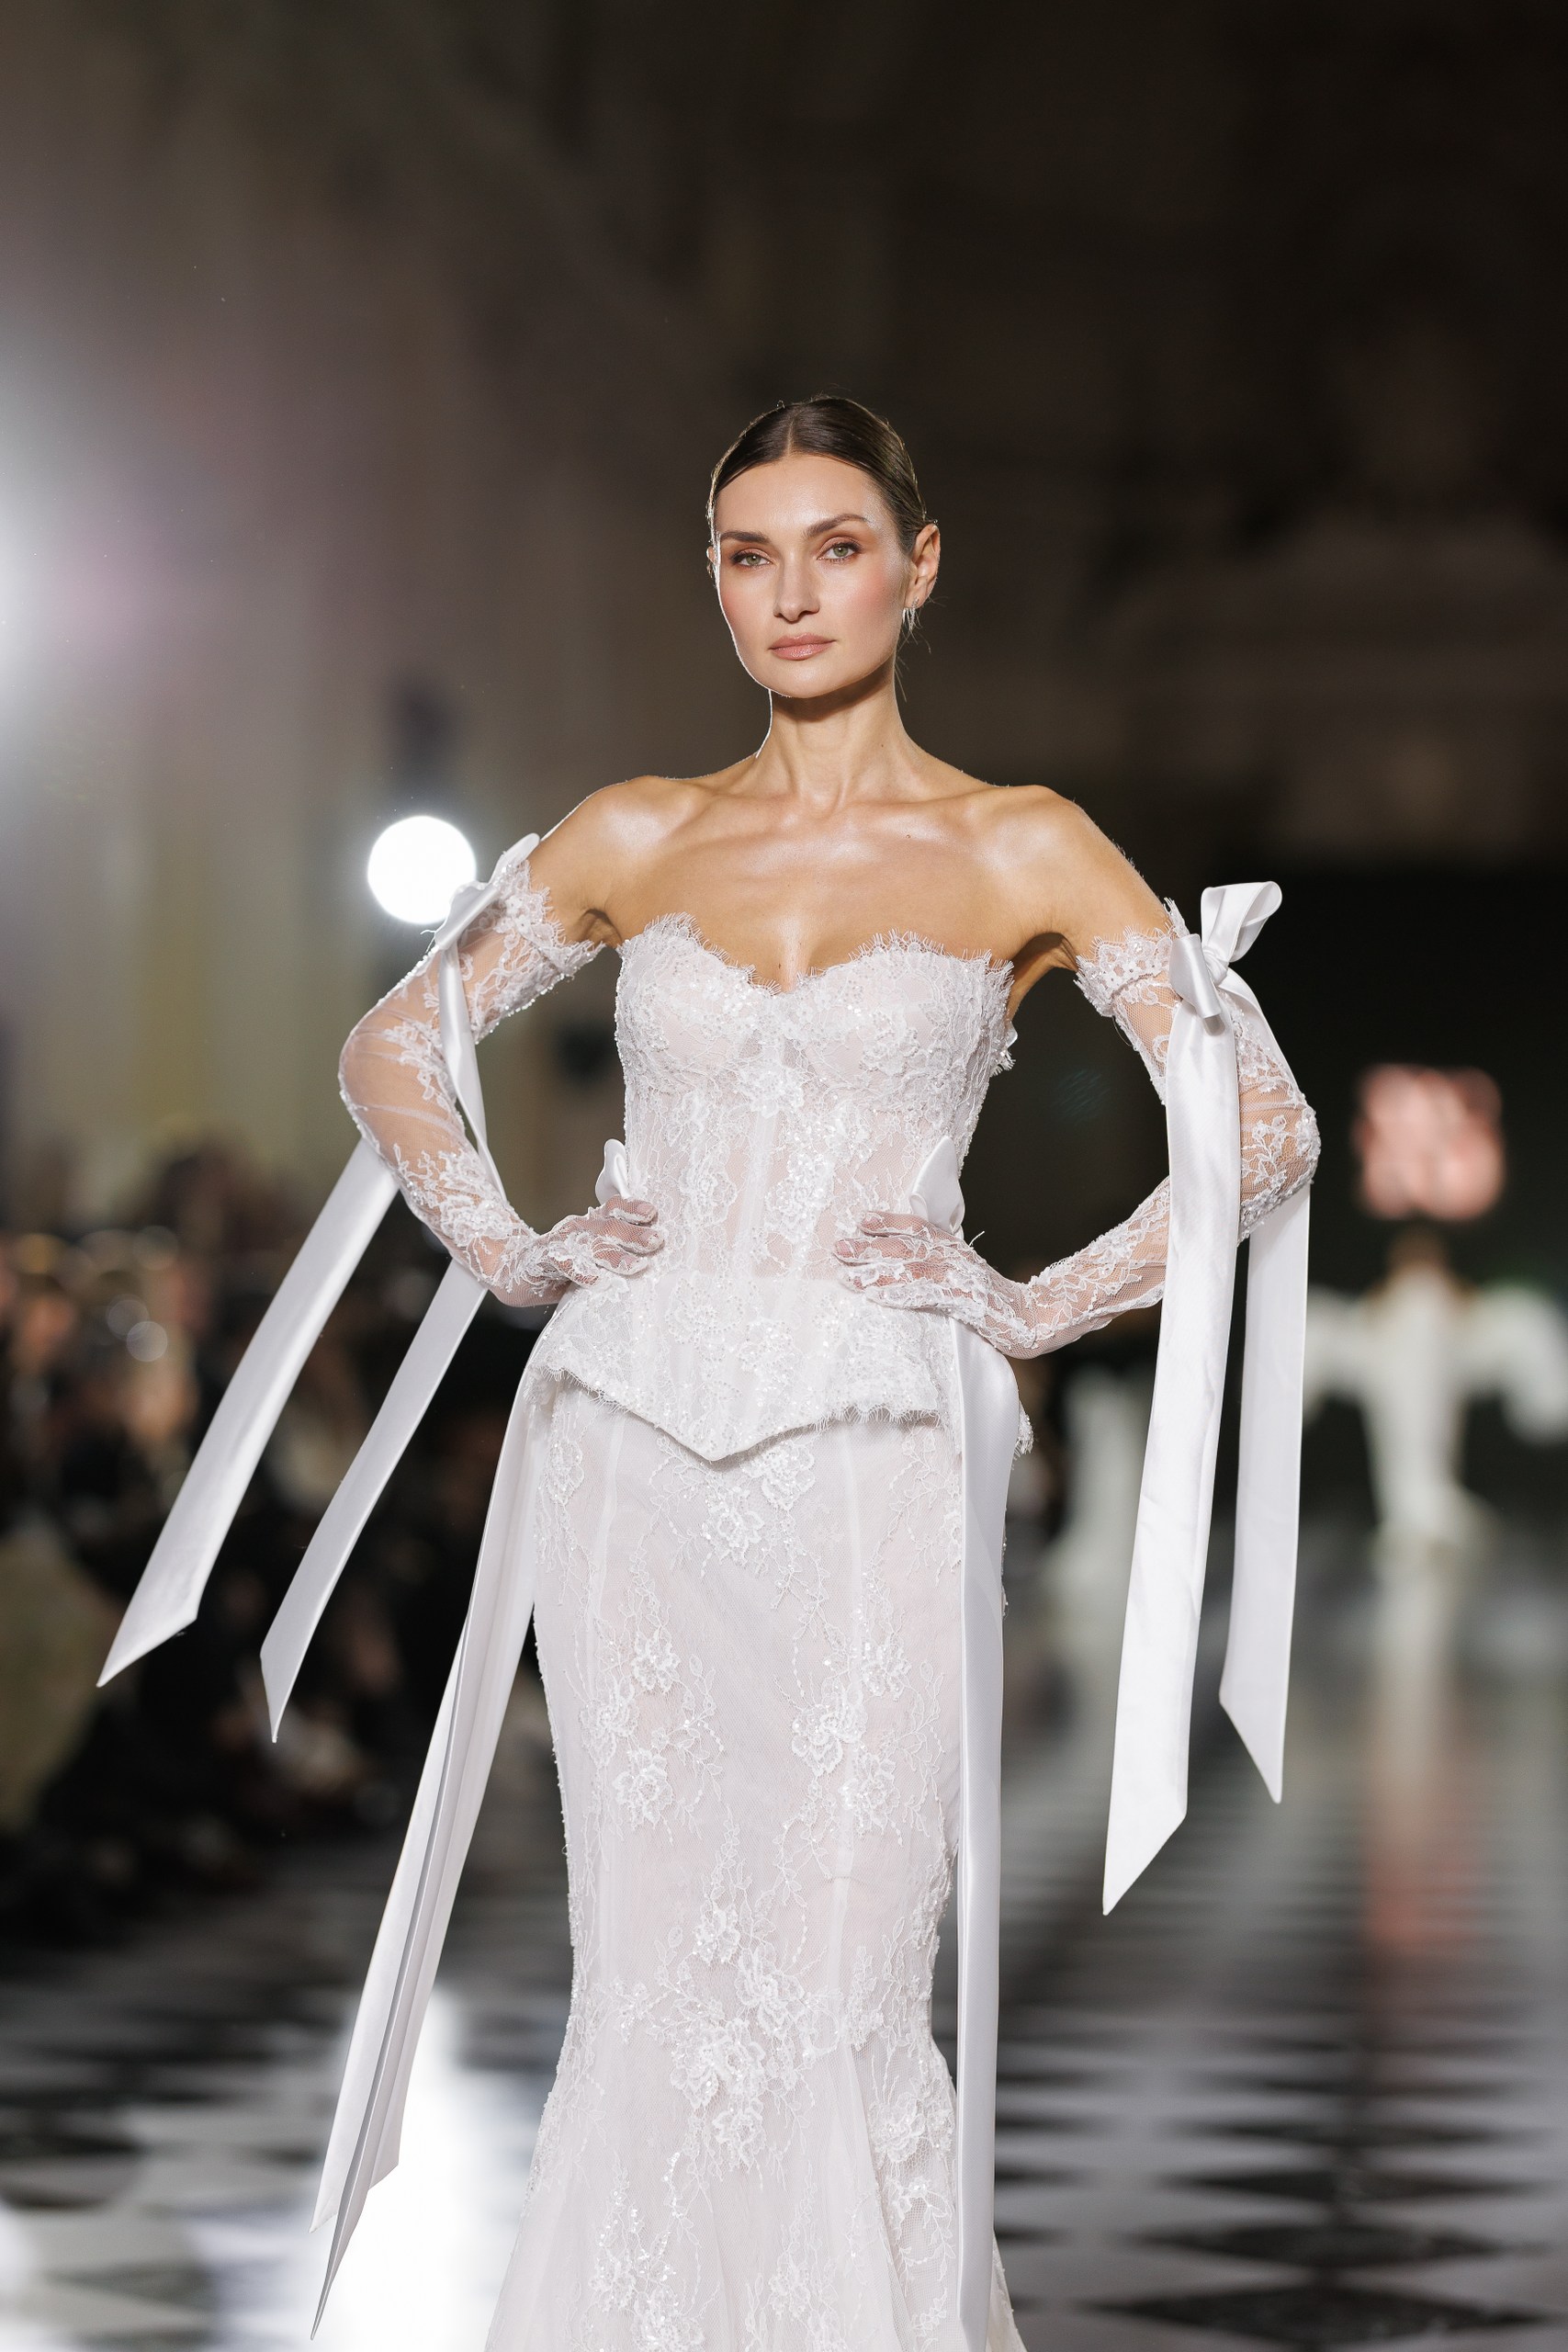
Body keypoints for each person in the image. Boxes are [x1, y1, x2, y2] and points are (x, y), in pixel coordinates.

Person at [326, 397, 1319, 2349]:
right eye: (747, 554)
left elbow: (1261, 1126)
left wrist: (1031, 1303)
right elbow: (391, 1044)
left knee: (840, 1985)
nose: (789, 594)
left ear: (918, 566)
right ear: (712, 577)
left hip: (877, 1450)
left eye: (836, 547)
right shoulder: (635, 830)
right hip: (626, 1438)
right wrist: (511, 1247)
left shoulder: (1020, 842)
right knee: (647, 1983)